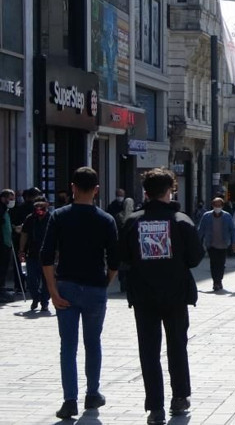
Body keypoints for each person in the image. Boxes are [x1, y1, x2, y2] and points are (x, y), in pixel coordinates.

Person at [120, 168, 204, 425]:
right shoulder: (181, 221)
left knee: (149, 351)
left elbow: (123, 257)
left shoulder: (132, 221)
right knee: (177, 346)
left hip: (144, 294)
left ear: (145, 192)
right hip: (176, 294)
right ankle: (179, 397)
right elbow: (195, 258)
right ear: (171, 190)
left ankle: (154, 407)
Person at [40, 167, 119, 420]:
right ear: (97, 189)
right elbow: (115, 260)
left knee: (68, 346)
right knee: (93, 343)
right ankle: (92, 393)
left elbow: (46, 256)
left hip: (67, 287)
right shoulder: (106, 219)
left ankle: (69, 401)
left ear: (72, 187)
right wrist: (105, 282)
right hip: (95, 286)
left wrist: (53, 291)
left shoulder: (59, 216)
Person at [197, 198, 235, 291]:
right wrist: (197, 241)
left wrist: (234, 242)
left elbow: (232, 230)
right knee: (213, 263)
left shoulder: (227, 216)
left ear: (222, 206)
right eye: (215, 205)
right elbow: (201, 229)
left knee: (221, 263)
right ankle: (216, 282)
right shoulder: (206, 216)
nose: (217, 207)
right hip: (211, 244)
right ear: (212, 205)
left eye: (219, 205)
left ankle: (219, 280)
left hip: (223, 244)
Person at [19, 197, 51, 311]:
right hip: (32, 254)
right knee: (31, 279)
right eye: (37, 208)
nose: (39, 211)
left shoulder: (52, 218)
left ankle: (44, 302)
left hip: (48, 254)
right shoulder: (30, 219)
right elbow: (24, 234)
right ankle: (36, 297)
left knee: (47, 280)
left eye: (41, 208)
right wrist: (21, 250)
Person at [0, 189, 16, 300]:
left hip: (6, 242)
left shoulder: (5, 209)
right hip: (1, 243)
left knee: (4, 267)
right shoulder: (1, 209)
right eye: (10, 199)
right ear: (4, 198)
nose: (12, 201)